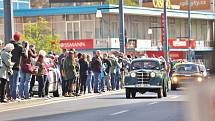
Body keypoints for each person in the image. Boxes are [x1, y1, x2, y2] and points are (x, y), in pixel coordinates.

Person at [10, 32, 27, 101]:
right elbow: (25, 56)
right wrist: (26, 47)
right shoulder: (20, 47)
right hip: (16, 66)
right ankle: (14, 96)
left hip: (9, 66)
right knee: (15, 82)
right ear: (19, 38)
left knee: (10, 82)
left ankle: (10, 96)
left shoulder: (9, 45)